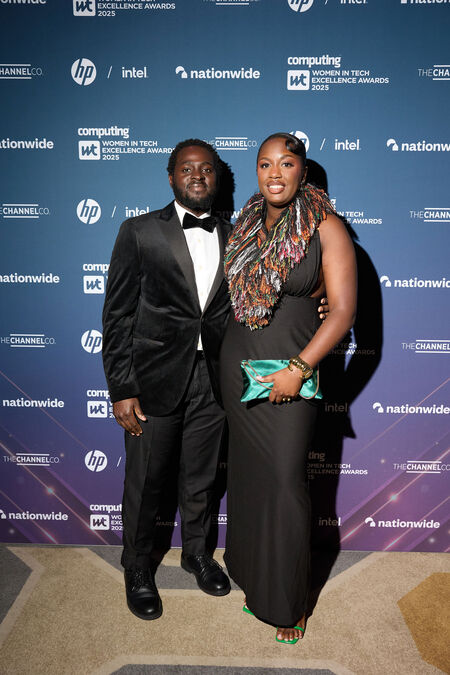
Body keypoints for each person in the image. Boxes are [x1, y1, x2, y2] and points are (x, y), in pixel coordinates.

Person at [220, 133, 357, 644]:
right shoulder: (246, 224)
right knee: (250, 479)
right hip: (238, 364)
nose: (274, 173)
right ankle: (255, 580)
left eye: (286, 163)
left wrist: (299, 369)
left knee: (283, 482)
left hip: (290, 369)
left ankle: (289, 602)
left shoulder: (326, 226)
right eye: (264, 164)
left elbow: (342, 312)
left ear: (303, 171)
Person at [102, 139, 233, 620]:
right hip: (153, 380)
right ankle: (137, 566)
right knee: (145, 481)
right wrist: (122, 388)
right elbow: (117, 315)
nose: (198, 176)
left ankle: (196, 553)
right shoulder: (138, 231)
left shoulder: (236, 235)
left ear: (217, 177)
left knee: (201, 477)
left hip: (213, 380)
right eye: (187, 168)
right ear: (172, 175)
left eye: (207, 169)